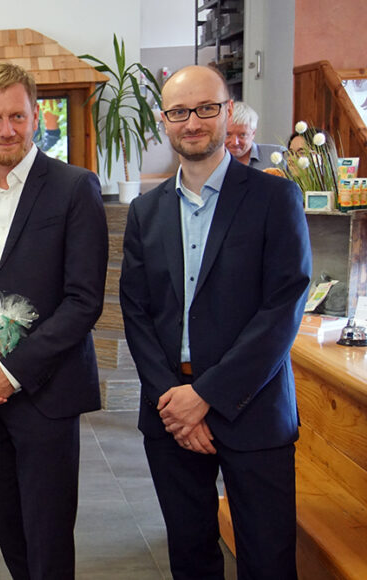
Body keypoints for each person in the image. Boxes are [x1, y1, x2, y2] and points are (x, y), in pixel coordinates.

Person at [119, 65, 311, 580]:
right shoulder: (145, 211)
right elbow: (136, 313)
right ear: (165, 121)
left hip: (254, 408)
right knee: (190, 556)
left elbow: (282, 308)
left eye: (206, 108)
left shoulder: (275, 199)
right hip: (170, 412)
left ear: (228, 112)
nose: (193, 122)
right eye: (180, 112)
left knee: (268, 561)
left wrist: (205, 395)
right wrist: (174, 399)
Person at [0, 62, 108, 579]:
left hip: (45, 390)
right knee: (10, 528)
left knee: (48, 537)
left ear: (37, 116)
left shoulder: (75, 188)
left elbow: (83, 301)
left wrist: (11, 373)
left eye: (16, 116)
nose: (5, 129)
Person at [226, 101, 285, 170]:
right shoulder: (211, 161)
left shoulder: (277, 155)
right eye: (228, 134)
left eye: (242, 135)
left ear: (253, 133)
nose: (235, 142)